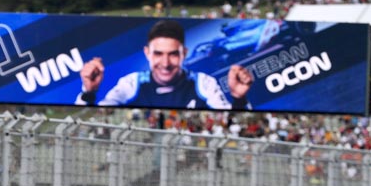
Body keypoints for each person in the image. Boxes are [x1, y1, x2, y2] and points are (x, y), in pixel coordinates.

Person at [76, 19, 253, 110]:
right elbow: (89, 120)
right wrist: (89, 92)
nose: (165, 64)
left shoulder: (204, 83)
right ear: (147, 53)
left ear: (184, 53)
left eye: (173, 54)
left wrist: (239, 99)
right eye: (158, 54)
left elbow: (229, 117)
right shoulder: (131, 84)